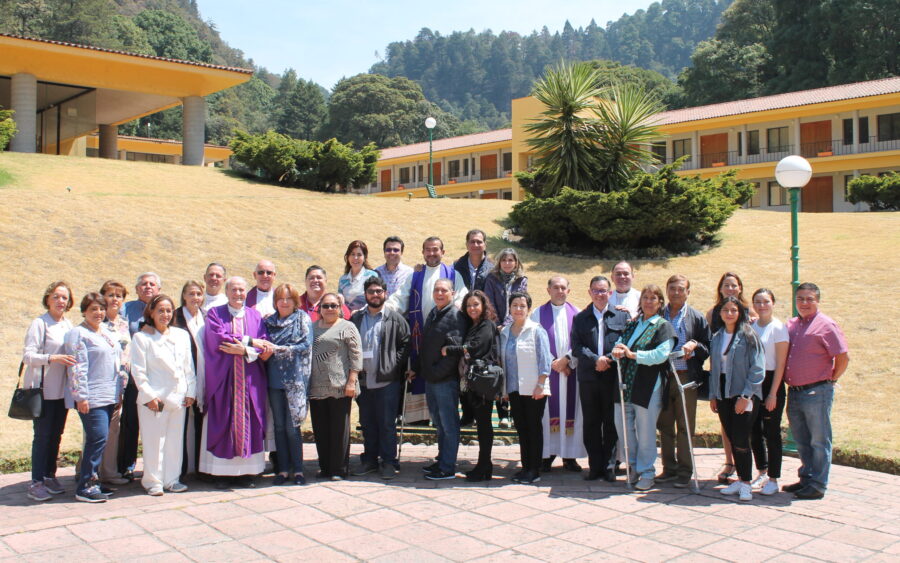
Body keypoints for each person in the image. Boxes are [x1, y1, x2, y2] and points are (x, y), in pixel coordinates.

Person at [201, 276, 274, 489]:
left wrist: (245, 350)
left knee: (250, 421)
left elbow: (264, 344)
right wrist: (249, 342)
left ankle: (247, 472)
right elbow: (218, 338)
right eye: (234, 290)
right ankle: (221, 474)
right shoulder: (216, 313)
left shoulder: (255, 315)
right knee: (224, 420)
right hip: (225, 379)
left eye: (242, 290)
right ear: (227, 291)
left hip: (250, 379)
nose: (238, 294)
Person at [386, 237, 467, 424]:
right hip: (420, 336)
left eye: (436, 249)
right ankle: (422, 418)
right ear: (423, 253)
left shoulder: (454, 275)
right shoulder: (415, 275)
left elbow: (462, 298)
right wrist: (383, 309)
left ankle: (442, 428)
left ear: (443, 252)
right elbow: (400, 298)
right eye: (428, 250)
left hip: (446, 338)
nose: (432, 253)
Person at [782, 283, 849, 500]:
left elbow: (843, 357)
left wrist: (831, 380)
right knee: (801, 439)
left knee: (819, 440)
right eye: (800, 298)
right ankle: (807, 477)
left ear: (818, 300)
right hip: (794, 391)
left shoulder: (826, 325)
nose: (804, 303)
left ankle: (818, 484)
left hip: (817, 391)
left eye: (809, 299)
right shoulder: (792, 325)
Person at [611, 284, 676, 491]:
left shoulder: (663, 326)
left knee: (646, 432)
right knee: (624, 428)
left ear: (660, 303)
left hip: (648, 386)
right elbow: (620, 343)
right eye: (645, 298)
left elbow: (661, 354)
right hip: (624, 384)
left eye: (653, 298)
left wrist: (633, 355)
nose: (648, 301)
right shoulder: (632, 324)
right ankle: (633, 467)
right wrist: (618, 350)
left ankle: (647, 471)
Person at [131, 295, 196, 496]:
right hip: (155, 399)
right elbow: (139, 371)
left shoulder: (181, 335)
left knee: (175, 441)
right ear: (151, 312)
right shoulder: (142, 338)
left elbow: (188, 367)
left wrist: (191, 391)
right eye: (160, 310)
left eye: (168, 310)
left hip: (178, 397)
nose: (165, 315)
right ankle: (153, 481)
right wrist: (149, 395)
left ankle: (172, 479)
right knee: (154, 442)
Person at [65, 293, 123, 503]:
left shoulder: (106, 333)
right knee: (97, 437)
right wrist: (81, 396)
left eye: (101, 309)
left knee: (102, 439)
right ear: (84, 312)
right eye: (93, 309)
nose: (98, 313)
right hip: (91, 396)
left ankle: (94, 480)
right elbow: (77, 367)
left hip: (109, 394)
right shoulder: (78, 333)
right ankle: (85, 486)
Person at [570, 276, 629, 481]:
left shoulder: (622, 317)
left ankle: (610, 466)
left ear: (610, 293)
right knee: (592, 422)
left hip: (612, 376)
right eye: (596, 290)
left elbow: (625, 343)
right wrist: (596, 359)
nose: (600, 294)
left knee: (611, 422)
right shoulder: (580, 318)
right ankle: (595, 466)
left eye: (603, 290)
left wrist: (609, 359)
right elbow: (577, 347)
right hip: (589, 377)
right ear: (589, 293)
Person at [350, 277, 410, 480]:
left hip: (387, 381)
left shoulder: (395, 318)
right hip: (363, 381)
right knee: (368, 422)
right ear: (365, 295)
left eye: (378, 291)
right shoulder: (356, 319)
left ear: (385, 293)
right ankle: (369, 460)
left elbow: (405, 344)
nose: (375, 295)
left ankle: (388, 462)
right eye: (371, 291)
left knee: (386, 423)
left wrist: (393, 364)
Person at [408, 278, 466, 480]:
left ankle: (448, 467)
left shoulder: (455, 315)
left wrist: (435, 373)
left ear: (452, 293)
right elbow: (426, 346)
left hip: (445, 381)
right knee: (440, 424)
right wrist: (418, 368)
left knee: (449, 425)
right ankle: (441, 459)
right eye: (436, 290)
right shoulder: (434, 313)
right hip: (431, 379)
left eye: (444, 290)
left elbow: (453, 352)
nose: (439, 294)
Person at [709, 296, 765, 502]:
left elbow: (758, 369)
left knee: (742, 438)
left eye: (734, 310)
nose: (729, 314)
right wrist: (714, 395)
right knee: (732, 437)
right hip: (723, 393)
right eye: (726, 310)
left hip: (743, 392)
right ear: (720, 313)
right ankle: (741, 479)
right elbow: (715, 368)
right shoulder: (717, 337)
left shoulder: (749, 336)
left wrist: (746, 395)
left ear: (740, 313)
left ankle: (747, 484)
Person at [23, 281, 76, 502]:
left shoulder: (69, 325)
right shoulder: (40, 323)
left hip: (62, 392)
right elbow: (28, 356)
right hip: (43, 390)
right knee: (42, 436)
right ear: (48, 299)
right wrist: (52, 358)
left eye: (64, 297)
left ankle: (49, 475)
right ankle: (36, 481)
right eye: (56, 296)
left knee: (56, 435)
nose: (60, 301)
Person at [657, 275, 711, 489]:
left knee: (685, 425)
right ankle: (668, 468)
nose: (676, 293)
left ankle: (684, 470)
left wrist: (695, 345)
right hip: (662, 377)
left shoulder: (696, 318)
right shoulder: (658, 314)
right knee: (664, 424)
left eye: (681, 289)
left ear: (688, 292)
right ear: (667, 290)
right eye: (672, 288)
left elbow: (708, 349)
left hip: (686, 377)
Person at [442, 290, 500, 482]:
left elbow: (475, 348)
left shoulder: (486, 325)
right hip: (471, 382)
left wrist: (449, 350)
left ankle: (484, 465)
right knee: (481, 425)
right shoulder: (472, 326)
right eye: (468, 306)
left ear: (483, 306)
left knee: (484, 426)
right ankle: (484, 466)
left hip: (482, 382)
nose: (472, 308)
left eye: (476, 304)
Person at [533, 276, 587, 473]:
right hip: (549, 374)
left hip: (571, 372)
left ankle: (569, 456)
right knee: (548, 414)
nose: (559, 291)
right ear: (548, 290)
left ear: (568, 291)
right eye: (555, 287)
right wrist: (554, 364)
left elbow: (582, 341)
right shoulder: (538, 313)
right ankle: (548, 455)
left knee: (571, 413)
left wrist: (567, 360)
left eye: (563, 287)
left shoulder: (579, 314)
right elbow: (535, 342)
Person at [706, 271, 755, 483]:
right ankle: (730, 462)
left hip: (742, 376)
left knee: (744, 425)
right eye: (726, 285)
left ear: (740, 288)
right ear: (720, 289)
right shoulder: (712, 313)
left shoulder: (747, 312)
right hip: (721, 376)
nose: (730, 289)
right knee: (726, 424)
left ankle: (749, 469)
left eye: (734, 285)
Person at [264, 283, 314, 486]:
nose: (284, 302)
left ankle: (299, 470)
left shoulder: (302, 318)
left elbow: (305, 345)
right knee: (278, 426)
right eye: (280, 298)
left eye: (288, 298)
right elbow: (262, 344)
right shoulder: (268, 322)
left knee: (292, 427)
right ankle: (283, 469)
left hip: (295, 380)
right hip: (274, 380)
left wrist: (279, 349)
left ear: (295, 301)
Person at [501, 292, 552, 485]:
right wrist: (504, 389)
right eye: (515, 305)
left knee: (533, 428)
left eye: (522, 306)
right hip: (514, 388)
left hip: (533, 389)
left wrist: (540, 385)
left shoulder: (536, 330)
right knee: (522, 429)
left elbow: (545, 360)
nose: (518, 309)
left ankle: (534, 469)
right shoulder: (505, 332)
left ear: (528, 309)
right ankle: (525, 467)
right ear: (510, 308)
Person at [310, 293, 362, 481]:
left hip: (340, 385)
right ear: (320, 309)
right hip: (316, 385)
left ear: (340, 307)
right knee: (321, 428)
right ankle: (325, 467)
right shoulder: (312, 328)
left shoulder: (348, 327)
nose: (330, 309)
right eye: (325, 306)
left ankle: (339, 469)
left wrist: (352, 381)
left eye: (333, 305)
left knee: (339, 429)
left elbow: (356, 355)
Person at [119, 272, 161, 481]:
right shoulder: (126, 309)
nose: (147, 287)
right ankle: (126, 464)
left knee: (155, 422)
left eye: (152, 284)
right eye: (143, 284)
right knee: (130, 421)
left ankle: (156, 466)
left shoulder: (162, 307)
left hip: (156, 375)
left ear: (158, 289)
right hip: (133, 375)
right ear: (136, 289)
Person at [749, 288, 790, 496]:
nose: (762, 305)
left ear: (773, 303)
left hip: (771, 382)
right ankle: (762, 471)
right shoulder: (752, 326)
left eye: (766, 301)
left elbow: (781, 364)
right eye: (758, 301)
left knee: (771, 431)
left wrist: (773, 393)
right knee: (754, 430)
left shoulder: (778, 328)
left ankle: (774, 478)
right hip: (754, 384)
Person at [452, 229, 494, 427]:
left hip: (486, 323)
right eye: (472, 241)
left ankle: (484, 411)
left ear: (485, 244)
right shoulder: (456, 267)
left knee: (484, 365)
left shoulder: (493, 268)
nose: (476, 245)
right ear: (467, 244)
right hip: (464, 321)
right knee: (463, 366)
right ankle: (467, 412)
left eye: (479, 242)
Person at [483, 248, 527, 427]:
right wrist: (497, 324)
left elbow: (520, 301)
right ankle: (502, 414)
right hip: (496, 329)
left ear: (516, 263)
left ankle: (515, 414)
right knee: (500, 369)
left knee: (514, 370)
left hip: (515, 327)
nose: (508, 263)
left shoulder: (521, 280)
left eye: (511, 260)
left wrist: (508, 323)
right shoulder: (491, 279)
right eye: (504, 260)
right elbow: (489, 302)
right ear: (499, 262)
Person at [97, 280, 132, 486]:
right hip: (100, 385)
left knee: (113, 429)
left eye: (119, 296)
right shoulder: (96, 323)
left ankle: (108, 472)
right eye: (110, 295)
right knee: (96, 430)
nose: (115, 299)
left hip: (120, 385)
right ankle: (89, 471)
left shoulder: (123, 323)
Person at [172, 280, 206, 478]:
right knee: (181, 425)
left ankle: (201, 467)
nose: (195, 298)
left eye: (198, 294)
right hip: (183, 378)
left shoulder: (207, 317)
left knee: (201, 422)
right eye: (191, 294)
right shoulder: (175, 317)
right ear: (184, 296)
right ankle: (181, 468)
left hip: (204, 377)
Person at [338, 240, 379, 313]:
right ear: (348, 257)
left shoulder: (372, 276)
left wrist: (359, 312)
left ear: (364, 257)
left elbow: (375, 300)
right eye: (352, 254)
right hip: (347, 320)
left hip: (366, 317)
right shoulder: (342, 279)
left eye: (359, 254)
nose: (355, 257)